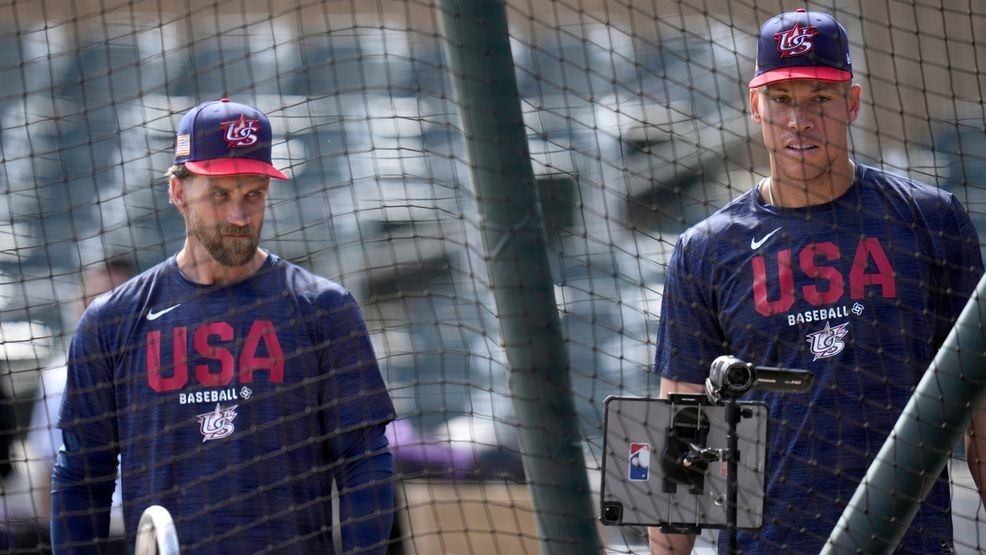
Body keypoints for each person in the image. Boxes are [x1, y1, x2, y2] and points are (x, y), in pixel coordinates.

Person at [649, 9, 985, 554]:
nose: (798, 120)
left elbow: (982, 413)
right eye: (781, 99)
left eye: (819, 99)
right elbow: (682, 428)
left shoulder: (930, 220)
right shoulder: (705, 250)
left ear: (851, 103)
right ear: (754, 105)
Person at [50, 98, 397, 554]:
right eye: (220, 195)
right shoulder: (113, 319)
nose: (239, 216)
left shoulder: (323, 308)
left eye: (253, 194)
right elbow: (81, 473)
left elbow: (363, 459)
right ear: (177, 192)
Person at [25, 257, 136, 551]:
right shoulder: (57, 377)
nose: (104, 309)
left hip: (148, 526)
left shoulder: (162, 367)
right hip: (90, 529)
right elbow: (44, 464)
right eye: (93, 298)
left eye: (115, 296)